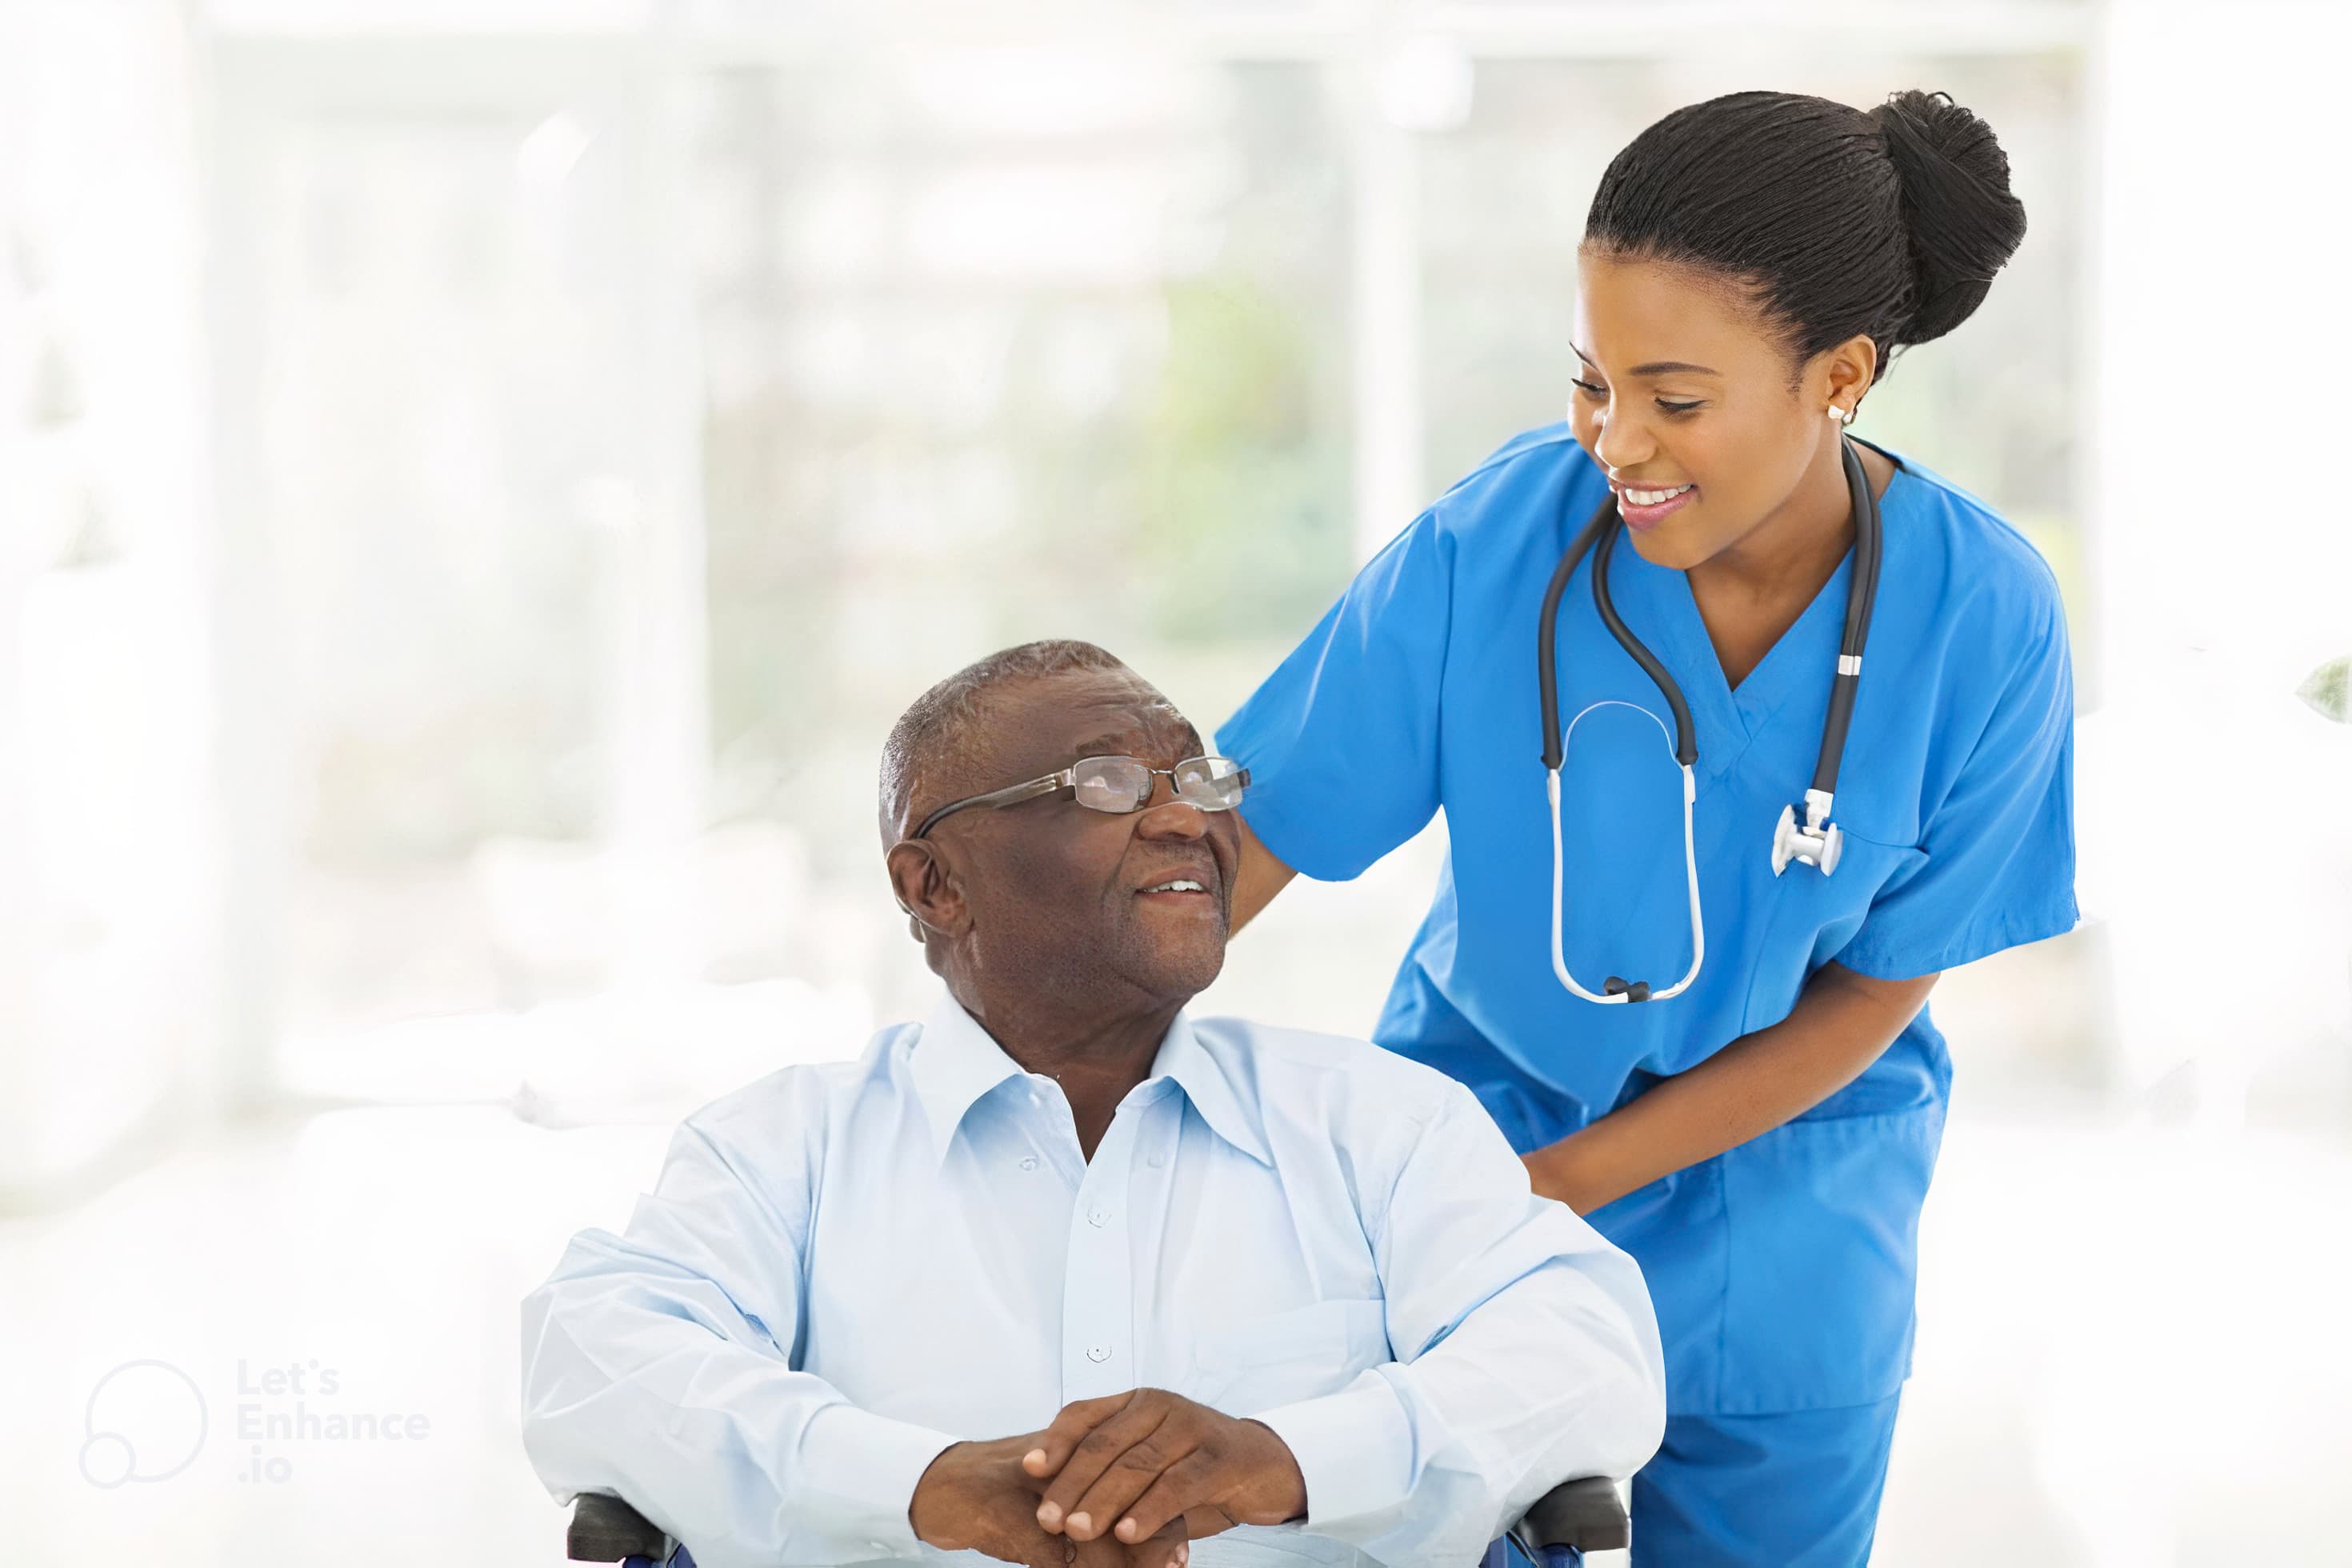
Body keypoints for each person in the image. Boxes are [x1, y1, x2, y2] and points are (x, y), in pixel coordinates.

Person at [1216, 90, 2076, 1564]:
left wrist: (1572, 1185)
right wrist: (1042, 1054)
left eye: (1675, 399)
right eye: (1590, 381)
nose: (1617, 441)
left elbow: (1877, 988)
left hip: (1789, 1206)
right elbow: (1249, 842)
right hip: (1476, 1160)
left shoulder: (1982, 618)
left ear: (1842, 376)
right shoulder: (1497, 548)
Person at [521, 641, 1666, 1568]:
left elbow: (1584, 1352)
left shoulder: (1379, 1124)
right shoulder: (780, 1149)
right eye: (1108, 783)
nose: (1188, 819)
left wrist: (1281, 1459)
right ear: (934, 884)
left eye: (1200, 778)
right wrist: (924, 1488)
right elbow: (600, 1359)